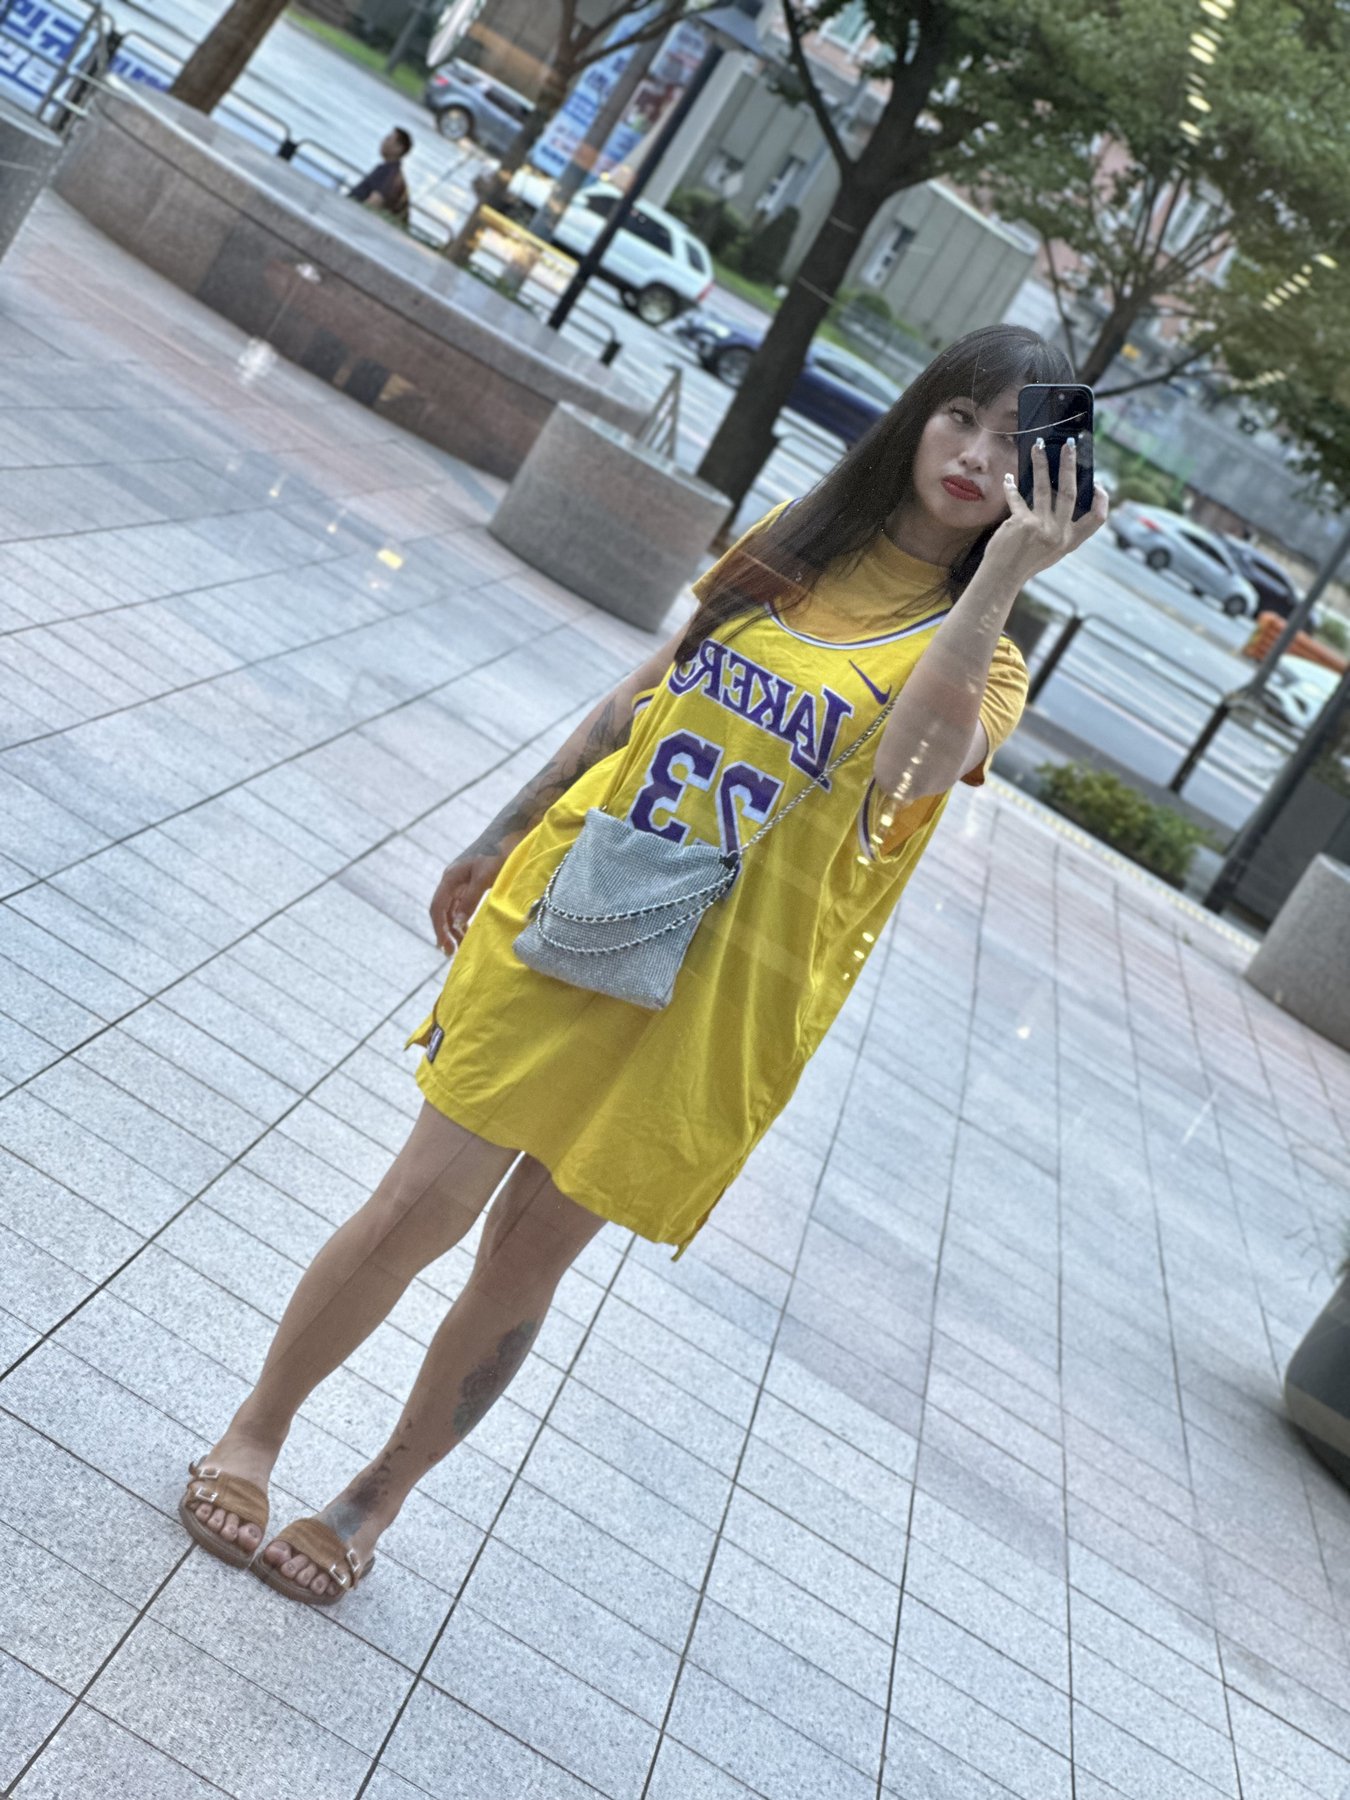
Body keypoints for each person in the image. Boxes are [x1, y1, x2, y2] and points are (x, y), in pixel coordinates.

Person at [179, 323, 1107, 1604]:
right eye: (961, 417)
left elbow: (909, 772)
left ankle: (373, 1499)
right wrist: (504, 825)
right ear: (918, 415)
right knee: (420, 1203)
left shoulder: (986, 658)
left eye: (1014, 445)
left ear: (1048, 477)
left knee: (524, 1258)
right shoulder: (798, 543)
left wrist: (1004, 571)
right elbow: (647, 691)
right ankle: (254, 1434)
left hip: (716, 1002)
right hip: (579, 903)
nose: (975, 457)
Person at [348, 127, 413, 225]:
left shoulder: (391, 174)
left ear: (399, 148)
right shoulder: (389, 170)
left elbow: (374, 203)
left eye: (388, 139)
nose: (383, 141)